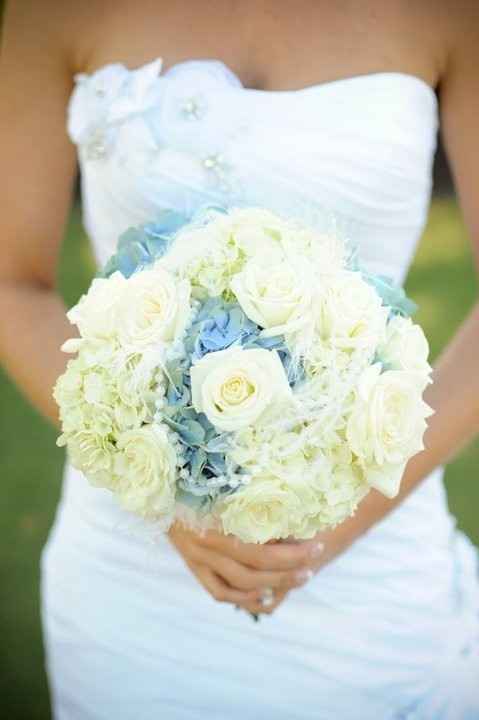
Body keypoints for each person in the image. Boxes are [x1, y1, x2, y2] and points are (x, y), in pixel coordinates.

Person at [1, 1, 478, 717]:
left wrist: (325, 521)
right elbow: (12, 282)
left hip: (373, 556)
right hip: (132, 569)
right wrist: (165, 500)